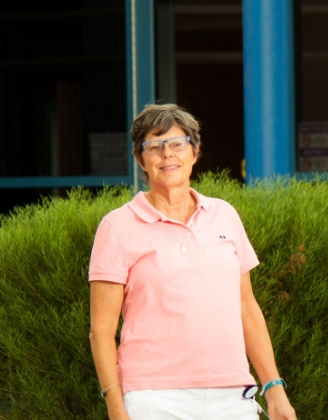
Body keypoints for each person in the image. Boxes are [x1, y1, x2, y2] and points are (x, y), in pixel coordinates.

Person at [88, 103, 297, 420]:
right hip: (154, 399)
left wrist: (275, 390)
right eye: (154, 146)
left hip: (232, 396)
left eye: (176, 143)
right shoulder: (117, 227)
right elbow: (101, 330)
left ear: (195, 151)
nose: (167, 154)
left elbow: (247, 308)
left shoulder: (224, 215)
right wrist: (117, 411)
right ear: (139, 159)